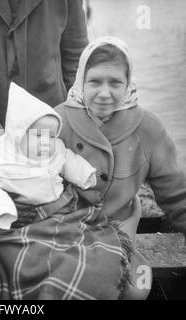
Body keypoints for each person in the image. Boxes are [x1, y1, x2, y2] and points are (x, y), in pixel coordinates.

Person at [55, 36, 186, 298]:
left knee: (139, 287)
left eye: (115, 82)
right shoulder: (56, 121)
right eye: (95, 82)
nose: (105, 93)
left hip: (120, 233)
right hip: (64, 231)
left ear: (128, 83)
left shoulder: (148, 128)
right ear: (81, 80)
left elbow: (177, 195)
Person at [0, 82, 97, 231]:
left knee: (75, 224)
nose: (46, 141)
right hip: (19, 211)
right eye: (38, 135)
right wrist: (0, 208)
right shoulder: (5, 157)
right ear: (19, 135)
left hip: (56, 205)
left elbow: (68, 160)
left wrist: (85, 175)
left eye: (51, 135)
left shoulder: (56, 150)